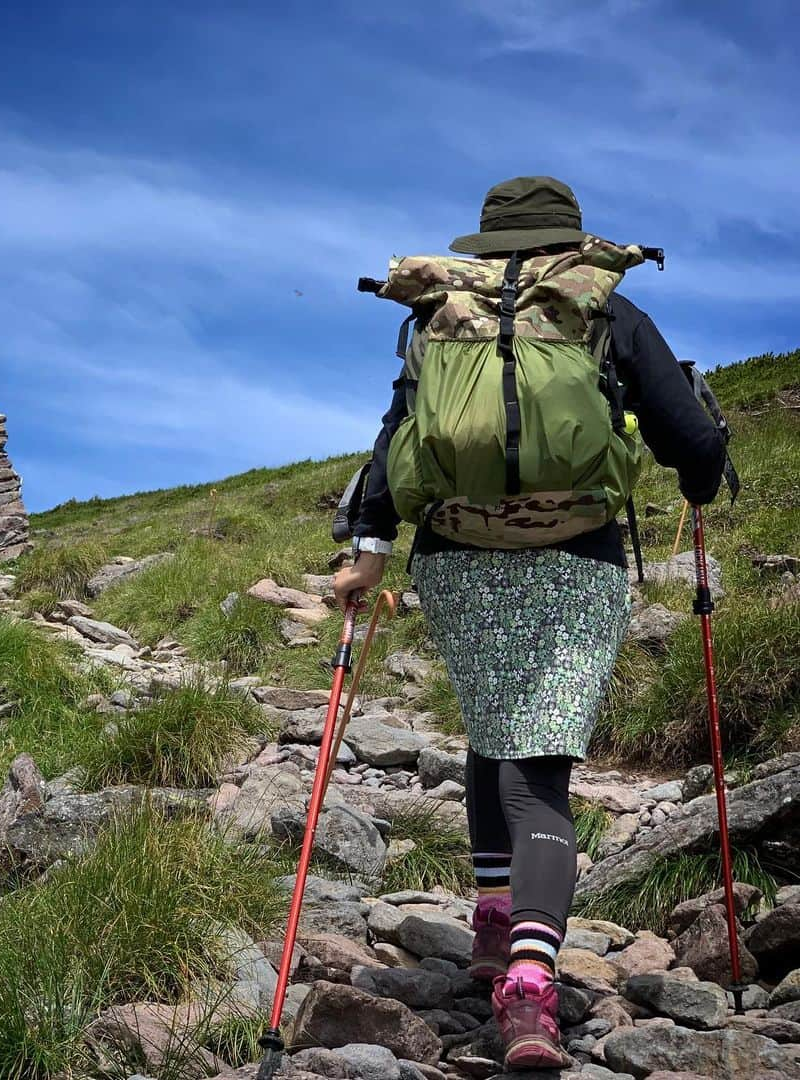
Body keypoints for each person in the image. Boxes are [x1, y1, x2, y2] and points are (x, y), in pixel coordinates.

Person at [334, 176, 725, 1071]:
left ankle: (494, 917)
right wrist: (705, 475)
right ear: (568, 240)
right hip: (574, 557)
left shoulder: (441, 315)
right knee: (539, 762)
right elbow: (689, 443)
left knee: (491, 732)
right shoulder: (603, 307)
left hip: (459, 558)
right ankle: (531, 985)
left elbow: (398, 442)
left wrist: (367, 550)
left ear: (487, 244)